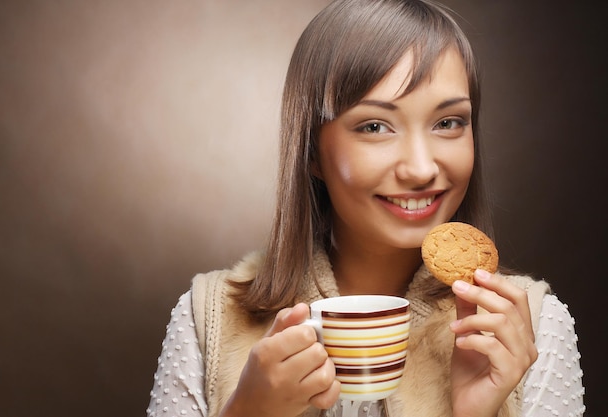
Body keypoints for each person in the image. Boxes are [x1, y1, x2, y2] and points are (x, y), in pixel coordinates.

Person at [146, 0, 585, 416]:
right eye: (375, 126)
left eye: (448, 122)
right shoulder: (208, 316)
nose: (420, 168)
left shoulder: (534, 326)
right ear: (312, 152)